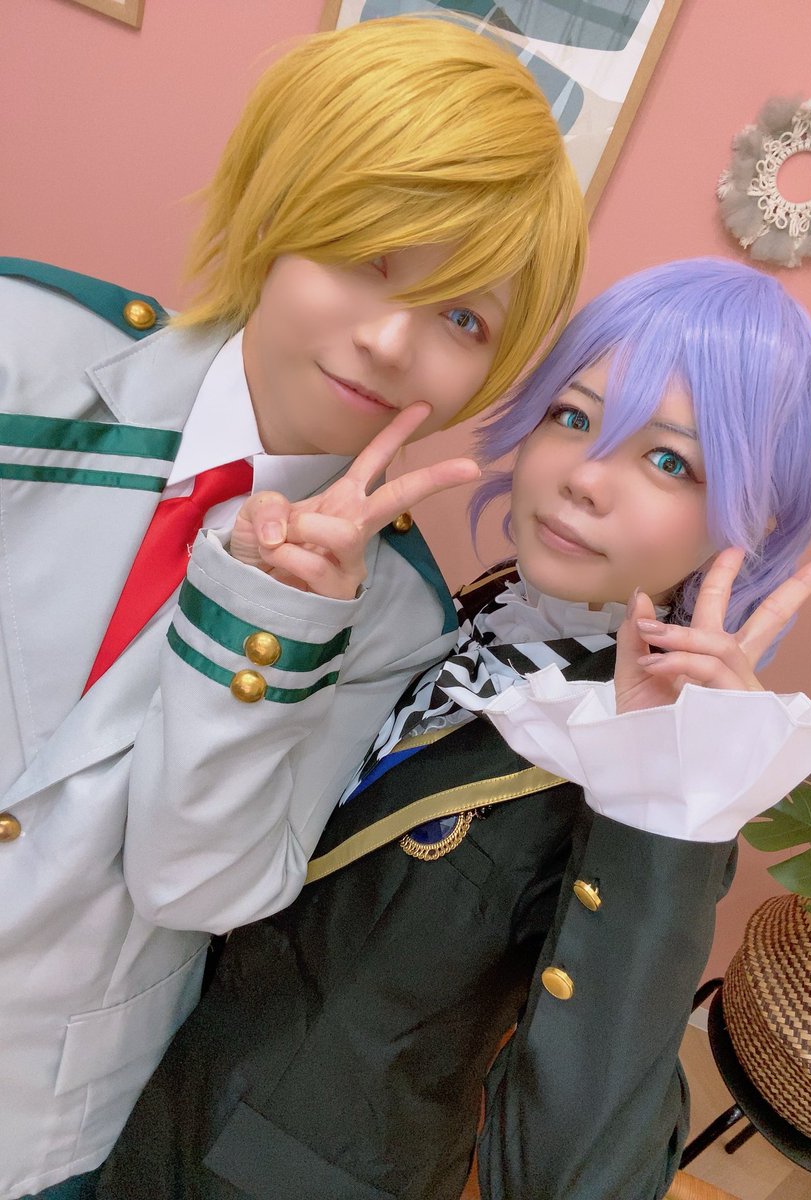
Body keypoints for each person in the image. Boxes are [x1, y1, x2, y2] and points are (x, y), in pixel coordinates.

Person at [96, 258, 811, 1200]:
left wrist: (664, 812)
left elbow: (578, 1181)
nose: (585, 478)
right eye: (572, 417)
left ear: (753, 519)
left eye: (669, 461)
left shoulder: (645, 759)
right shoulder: (474, 606)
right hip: (148, 1093)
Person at [0, 16, 586, 1200]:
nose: (389, 341)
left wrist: (265, 627)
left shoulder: (394, 613)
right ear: (281, 206)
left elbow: (198, 888)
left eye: (463, 319)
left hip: (34, 1118)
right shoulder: (26, 355)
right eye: (366, 254)